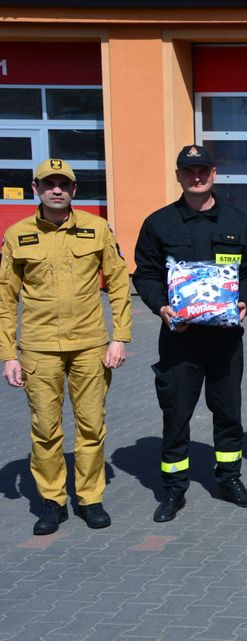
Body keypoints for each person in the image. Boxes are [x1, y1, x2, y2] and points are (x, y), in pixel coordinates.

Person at [133, 144, 247, 523]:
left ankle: (229, 479)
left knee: (227, 413)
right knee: (176, 415)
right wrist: (161, 306)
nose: (196, 177)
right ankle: (174, 489)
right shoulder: (159, 223)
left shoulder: (236, 221)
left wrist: (246, 302)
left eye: (203, 170)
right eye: (189, 171)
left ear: (214, 173)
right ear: (178, 176)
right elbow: (144, 273)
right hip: (180, 339)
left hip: (225, 341)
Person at [0, 158, 132, 534]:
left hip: (90, 346)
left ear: (74, 190)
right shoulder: (16, 235)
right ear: (35, 189)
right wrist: (8, 353)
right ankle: (53, 501)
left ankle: (90, 498)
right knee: (45, 429)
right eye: (48, 183)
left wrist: (119, 337)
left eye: (63, 184)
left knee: (91, 426)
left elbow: (120, 284)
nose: (56, 189)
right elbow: (5, 298)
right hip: (39, 348)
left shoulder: (97, 229)